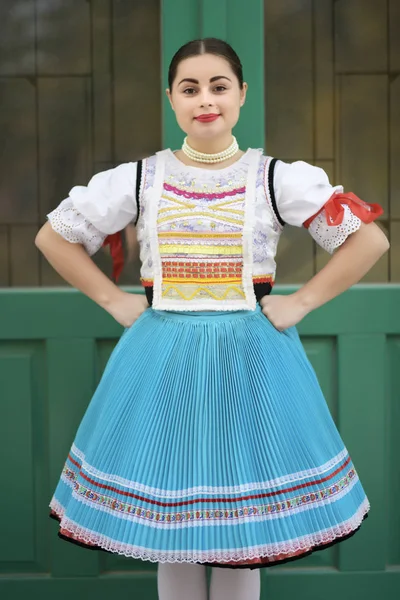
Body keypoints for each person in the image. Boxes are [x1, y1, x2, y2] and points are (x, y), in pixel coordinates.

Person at [35, 37, 389, 600]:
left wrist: (299, 303)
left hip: (249, 361)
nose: (206, 100)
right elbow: (55, 237)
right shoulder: (139, 179)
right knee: (174, 524)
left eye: (219, 87)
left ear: (242, 95)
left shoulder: (275, 179)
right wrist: (115, 301)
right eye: (190, 88)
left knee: (238, 527)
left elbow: (367, 239)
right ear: (171, 99)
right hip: (163, 361)